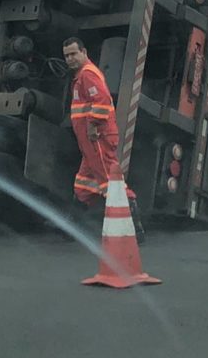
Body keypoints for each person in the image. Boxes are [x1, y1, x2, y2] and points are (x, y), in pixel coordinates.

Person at [62, 36, 146, 242]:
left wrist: (92, 126)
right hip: (91, 142)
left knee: (111, 184)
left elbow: (101, 100)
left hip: (97, 138)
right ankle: (71, 228)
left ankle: (135, 232)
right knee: (83, 185)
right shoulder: (82, 76)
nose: (70, 59)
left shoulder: (87, 75)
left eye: (73, 54)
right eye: (66, 56)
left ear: (84, 52)